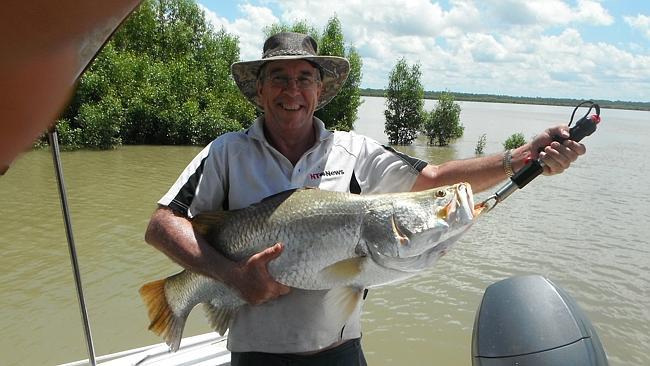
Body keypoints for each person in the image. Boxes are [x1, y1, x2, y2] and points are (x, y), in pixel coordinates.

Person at [144, 32, 586, 365]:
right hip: (255, 356)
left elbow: (434, 179)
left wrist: (523, 156)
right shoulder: (225, 152)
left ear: (320, 91)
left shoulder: (355, 151)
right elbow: (161, 225)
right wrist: (232, 275)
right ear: (259, 90)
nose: (291, 91)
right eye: (278, 78)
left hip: (341, 353)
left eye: (304, 79)